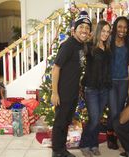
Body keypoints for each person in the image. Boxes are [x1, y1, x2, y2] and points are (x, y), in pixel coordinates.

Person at [51, 11, 92, 157]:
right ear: (74, 29)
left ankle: (62, 149)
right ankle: (57, 151)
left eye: (87, 28)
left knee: (66, 121)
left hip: (73, 92)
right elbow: (56, 69)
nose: (85, 30)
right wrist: (54, 93)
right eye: (82, 27)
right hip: (63, 93)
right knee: (60, 123)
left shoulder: (81, 46)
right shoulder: (68, 45)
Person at [79, 20, 111, 157]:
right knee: (94, 119)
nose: (105, 34)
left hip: (104, 88)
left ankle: (94, 144)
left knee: (98, 119)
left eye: (108, 31)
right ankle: (85, 144)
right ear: (98, 31)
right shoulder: (89, 46)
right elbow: (78, 50)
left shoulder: (108, 48)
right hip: (91, 88)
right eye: (103, 31)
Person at [107, 16, 129, 150]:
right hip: (111, 81)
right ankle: (110, 135)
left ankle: (116, 135)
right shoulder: (109, 41)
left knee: (120, 109)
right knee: (114, 110)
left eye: (125, 27)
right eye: (120, 26)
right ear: (115, 27)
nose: (122, 29)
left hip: (123, 81)